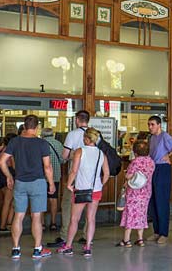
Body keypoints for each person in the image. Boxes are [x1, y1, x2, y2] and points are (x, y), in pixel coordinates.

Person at [0, 114, 54, 260]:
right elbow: (47, 167)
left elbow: (2, 161)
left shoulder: (15, 142)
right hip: (38, 182)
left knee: (19, 215)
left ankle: (16, 249)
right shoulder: (42, 143)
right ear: (37, 127)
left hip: (20, 182)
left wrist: (10, 177)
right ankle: (37, 250)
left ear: (24, 126)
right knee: (36, 217)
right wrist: (52, 183)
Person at [58, 127, 110, 257]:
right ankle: (87, 247)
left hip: (81, 190)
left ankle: (68, 246)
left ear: (87, 139)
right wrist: (100, 184)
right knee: (91, 219)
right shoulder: (101, 153)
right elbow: (107, 173)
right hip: (95, 190)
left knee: (74, 219)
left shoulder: (79, 151)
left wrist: (69, 184)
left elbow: (74, 171)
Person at [49, 109, 90, 249]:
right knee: (88, 205)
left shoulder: (72, 134)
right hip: (91, 175)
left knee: (67, 203)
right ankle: (86, 235)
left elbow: (65, 156)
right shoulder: (96, 134)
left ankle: (65, 235)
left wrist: (73, 154)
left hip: (76, 173)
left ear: (77, 120)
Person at [148, 115, 172, 244]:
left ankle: (164, 233)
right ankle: (156, 231)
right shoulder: (151, 138)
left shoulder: (165, 136)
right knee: (153, 201)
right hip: (153, 168)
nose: (150, 127)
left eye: (152, 124)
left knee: (162, 200)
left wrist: (169, 155)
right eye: (149, 124)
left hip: (163, 169)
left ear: (159, 125)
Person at [118, 139, 155, 248]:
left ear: (135, 151)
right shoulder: (151, 162)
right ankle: (140, 239)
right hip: (146, 192)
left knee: (130, 213)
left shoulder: (135, 162)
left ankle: (126, 240)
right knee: (142, 214)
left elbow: (128, 176)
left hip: (134, 192)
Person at [42, 128, 64, 231]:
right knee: (53, 199)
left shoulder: (40, 143)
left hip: (42, 176)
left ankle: (41, 223)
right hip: (55, 175)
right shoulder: (59, 144)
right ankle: (53, 223)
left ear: (42, 134)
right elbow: (63, 160)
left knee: (41, 199)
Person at [0, 133, 16, 233]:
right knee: (8, 202)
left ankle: (8, 224)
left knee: (10, 202)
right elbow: (14, 166)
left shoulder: (0, 149)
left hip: (1, 176)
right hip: (8, 175)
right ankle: (3, 226)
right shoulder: (10, 151)